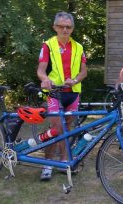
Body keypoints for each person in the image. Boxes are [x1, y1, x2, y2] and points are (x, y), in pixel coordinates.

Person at [37, 11, 87, 180]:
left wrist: (75, 80)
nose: (65, 30)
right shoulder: (48, 45)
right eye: (61, 26)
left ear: (72, 28)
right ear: (55, 27)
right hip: (54, 93)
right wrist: (44, 80)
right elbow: (41, 70)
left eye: (68, 27)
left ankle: (64, 161)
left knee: (67, 129)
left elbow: (84, 71)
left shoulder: (79, 47)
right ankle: (47, 164)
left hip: (73, 93)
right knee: (57, 129)